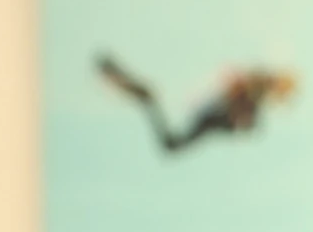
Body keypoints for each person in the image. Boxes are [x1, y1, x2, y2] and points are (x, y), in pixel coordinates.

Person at [95, 53, 296, 155]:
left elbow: (243, 120)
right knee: (167, 134)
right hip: (202, 116)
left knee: (166, 131)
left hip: (204, 118)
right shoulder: (249, 93)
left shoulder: (251, 101)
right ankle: (131, 87)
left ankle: (131, 87)